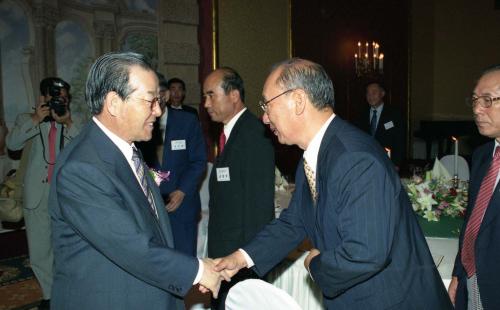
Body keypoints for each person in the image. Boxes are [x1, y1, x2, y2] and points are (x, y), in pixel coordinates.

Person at [213, 58, 452, 309]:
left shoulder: (354, 158)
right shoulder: (316, 152)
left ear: (298, 100)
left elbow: (365, 253)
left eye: (267, 104)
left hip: (390, 300)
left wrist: (314, 265)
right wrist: (241, 258)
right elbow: (294, 221)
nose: (264, 117)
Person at [48, 52, 225, 310]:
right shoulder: (82, 168)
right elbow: (130, 245)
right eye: (150, 101)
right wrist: (198, 271)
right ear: (114, 103)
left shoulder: (125, 148)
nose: (158, 110)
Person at [202, 67, 275, 309]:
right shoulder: (230, 134)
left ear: (233, 95)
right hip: (226, 256)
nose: (206, 103)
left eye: (211, 95)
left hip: (239, 262)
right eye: (205, 97)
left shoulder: (253, 135)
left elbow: (258, 209)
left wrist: (246, 263)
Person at [6, 77, 80, 309]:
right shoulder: (26, 120)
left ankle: (69, 291)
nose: (59, 101)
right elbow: (13, 144)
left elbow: (84, 148)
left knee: (66, 247)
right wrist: (37, 118)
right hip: (36, 195)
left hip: (64, 196)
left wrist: (68, 123)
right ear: (43, 97)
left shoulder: (69, 122)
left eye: (64, 98)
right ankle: (50, 297)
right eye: (55, 96)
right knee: (39, 250)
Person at [448, 65, 500, 310]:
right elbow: (472, 221)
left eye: (488, 100)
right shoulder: (482, 155)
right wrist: (458, 273)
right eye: (476, 100)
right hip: (473, 279)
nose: (477, 109)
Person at [139, 72, 207, 256]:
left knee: (184, 261)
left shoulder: (187, 121)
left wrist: (182, 190)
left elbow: (199, 160)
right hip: (151, 208)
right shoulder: (139, 124)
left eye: (157, 94)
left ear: (166, 95)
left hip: (183, 204)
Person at [355, 81, 405, 167]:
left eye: (374, 92)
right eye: (368, 93)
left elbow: (399, 140)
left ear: (382, 94)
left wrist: (396, 164)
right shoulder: (361, 114)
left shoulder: (394, 114)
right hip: (365, 161)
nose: (370, 96)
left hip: (387, 161)